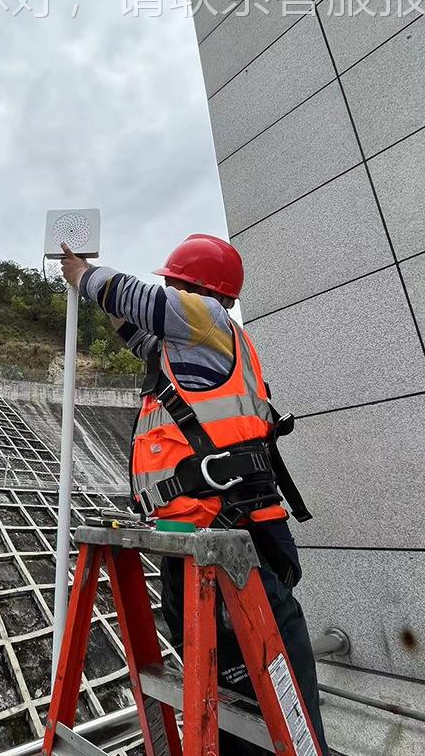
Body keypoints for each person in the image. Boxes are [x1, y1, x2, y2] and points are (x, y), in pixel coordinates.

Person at [60, 235, 329, 756]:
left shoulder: (205, 318)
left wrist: (83, 275)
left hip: (229, 532)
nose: (166, 289)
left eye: (172, 283)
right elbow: (136, 330)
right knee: (228, 691)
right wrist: (95, 293)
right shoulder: (187, 347)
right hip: (199, 535)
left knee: (266, 689)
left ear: (196, 289)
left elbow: (139, 300)